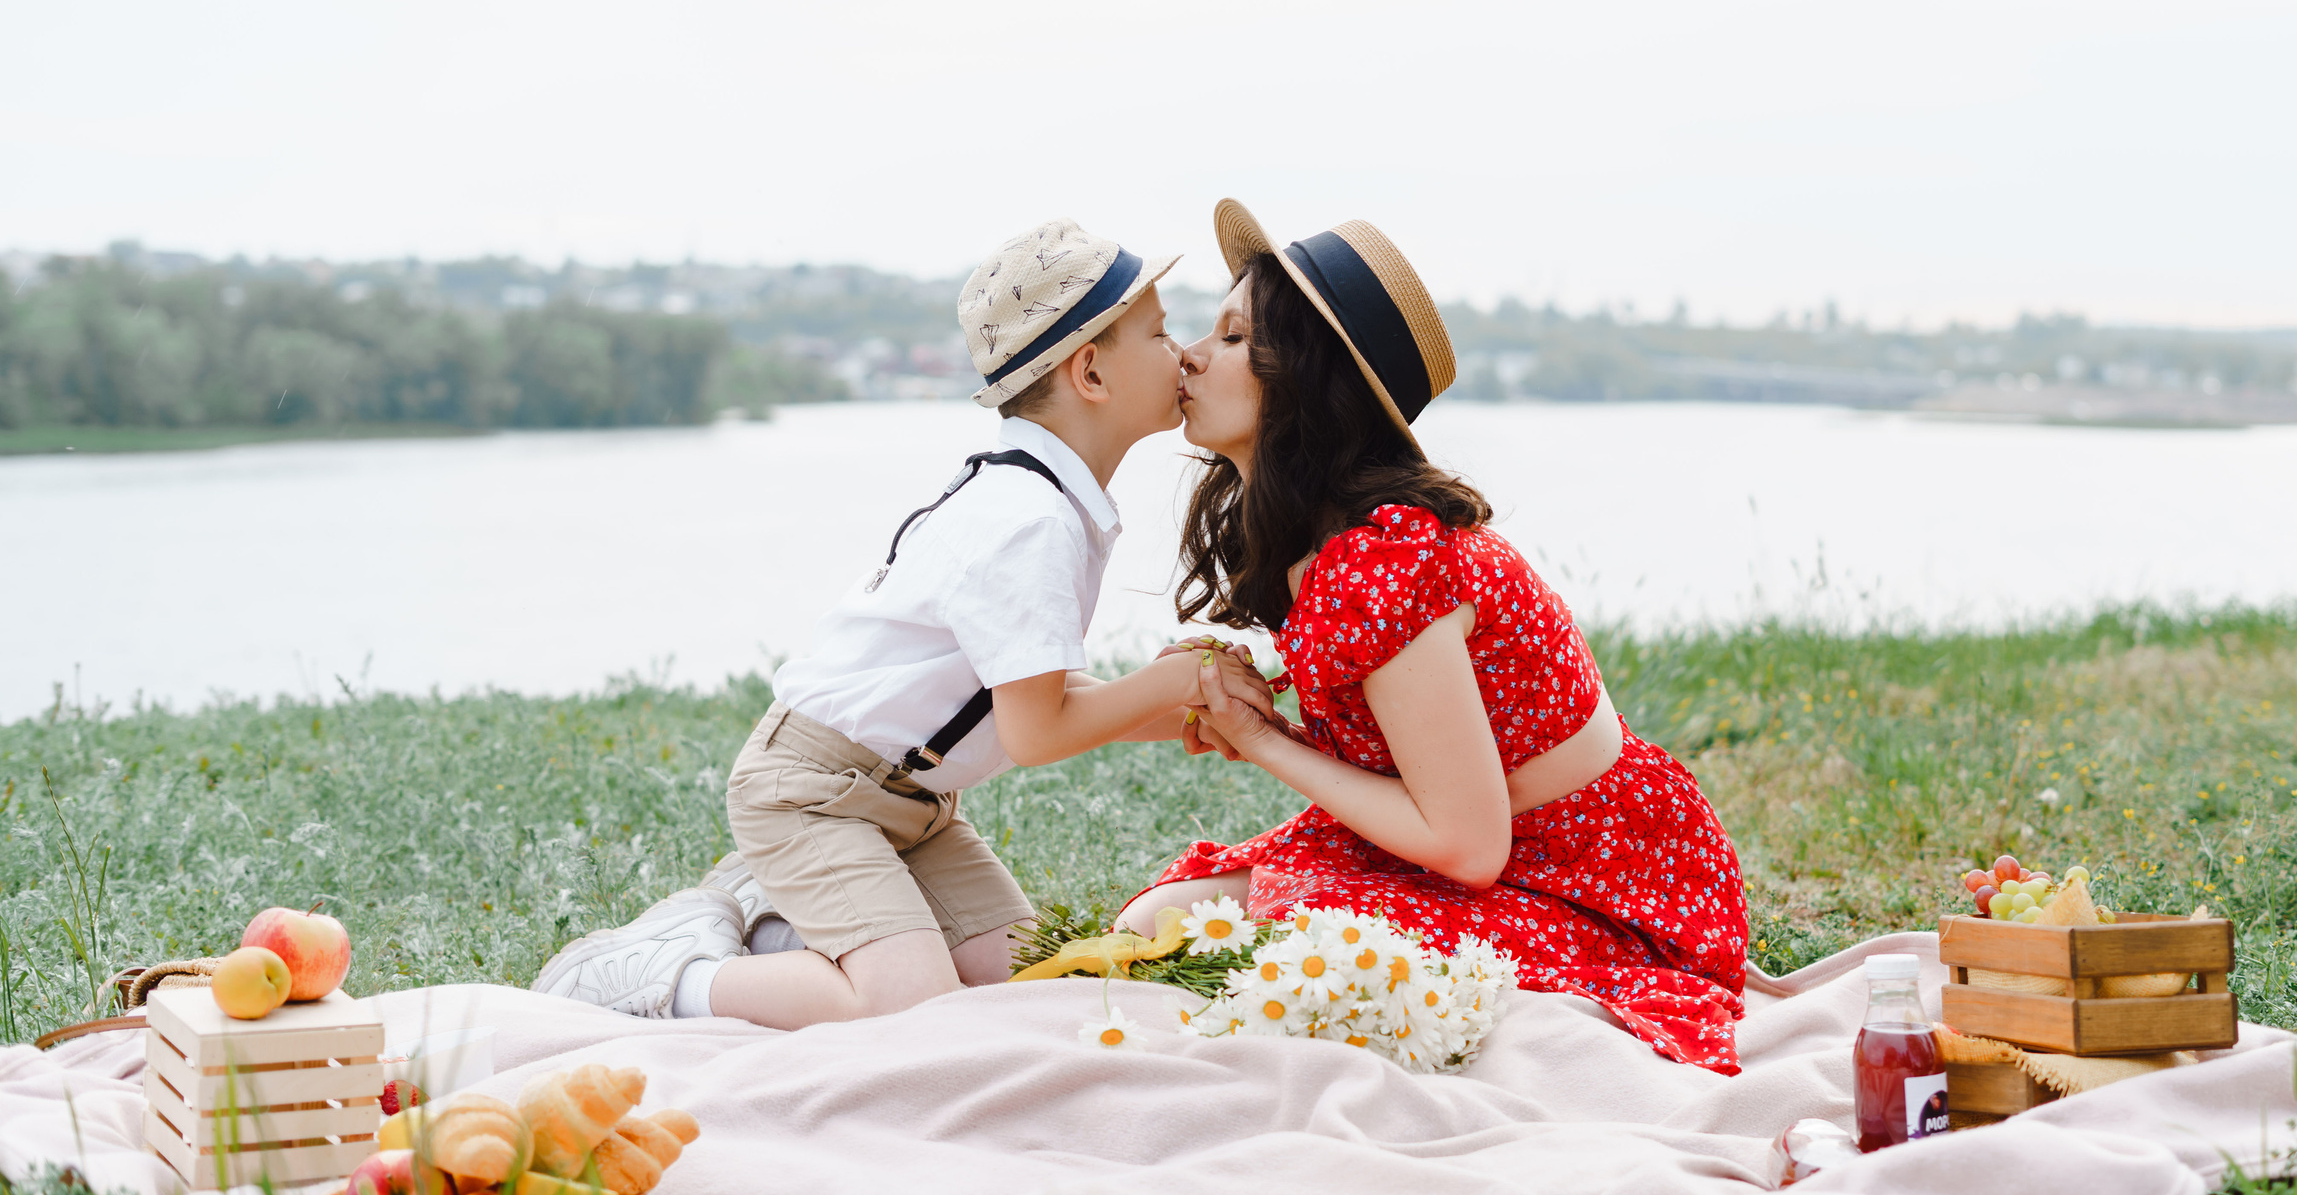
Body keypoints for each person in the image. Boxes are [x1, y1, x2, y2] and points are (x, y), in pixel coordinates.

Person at [534, 220, 1273, 1027]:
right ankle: (659, 977)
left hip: (911, 806)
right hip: (813, 796)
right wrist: (1170, 681)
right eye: (1162, 333)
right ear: (1090, 370)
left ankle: (786, 919)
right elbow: (1034, 732)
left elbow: (1029, 691)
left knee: (1035, 984)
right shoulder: (1028, 519)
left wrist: (1183, 712)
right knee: (912, 1011)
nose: (1187, 352)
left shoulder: (1048, 500)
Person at [1116, 200, 1751, 1071]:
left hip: (1595, 874)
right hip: (1500, 841)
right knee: (1165, 919)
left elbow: (1468, 845)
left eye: (1231, 338)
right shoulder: (1333, 543)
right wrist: (1250, 712)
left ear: (1303, 380)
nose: (1190, 353)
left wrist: (1264, 741)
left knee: (1226, 942)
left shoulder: (1377, 558)